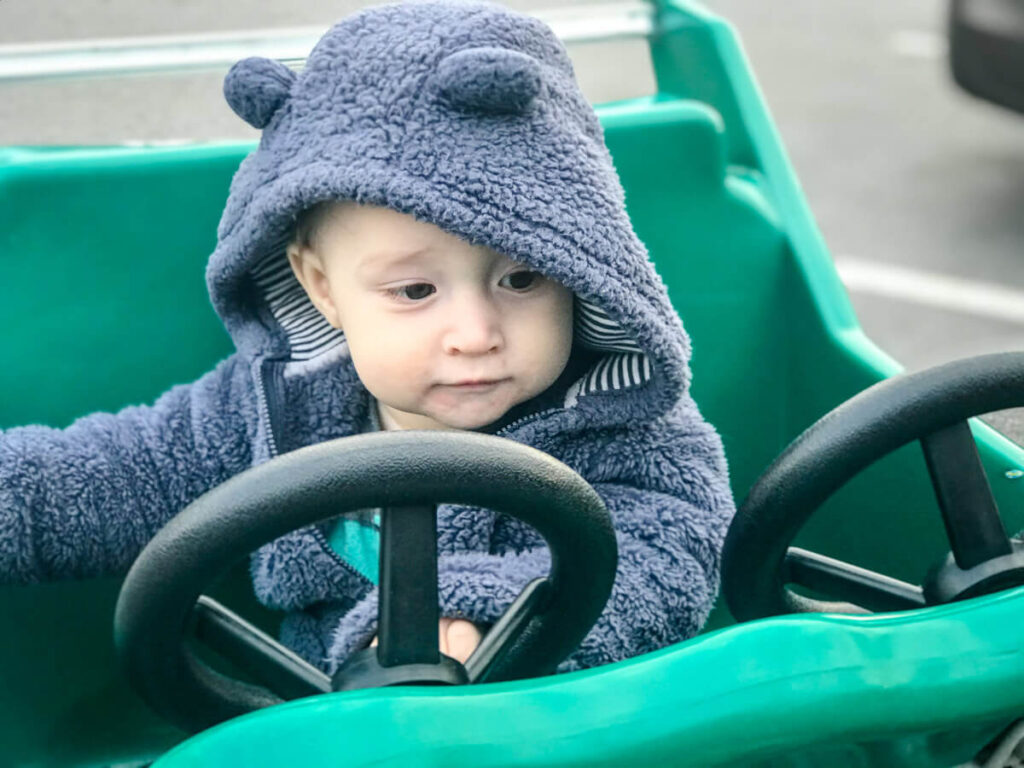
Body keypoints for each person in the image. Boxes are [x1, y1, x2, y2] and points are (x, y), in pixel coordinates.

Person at [0, 0, 735, 675]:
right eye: (415, 291)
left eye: (522, 280)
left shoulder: (622, 425)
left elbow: (667, 553)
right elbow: (108, 475)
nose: (475, 334)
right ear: (321, 287)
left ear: (580, 269)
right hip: (314, 728)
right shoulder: (274, 406)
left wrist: (481, 613)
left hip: (555, 732)